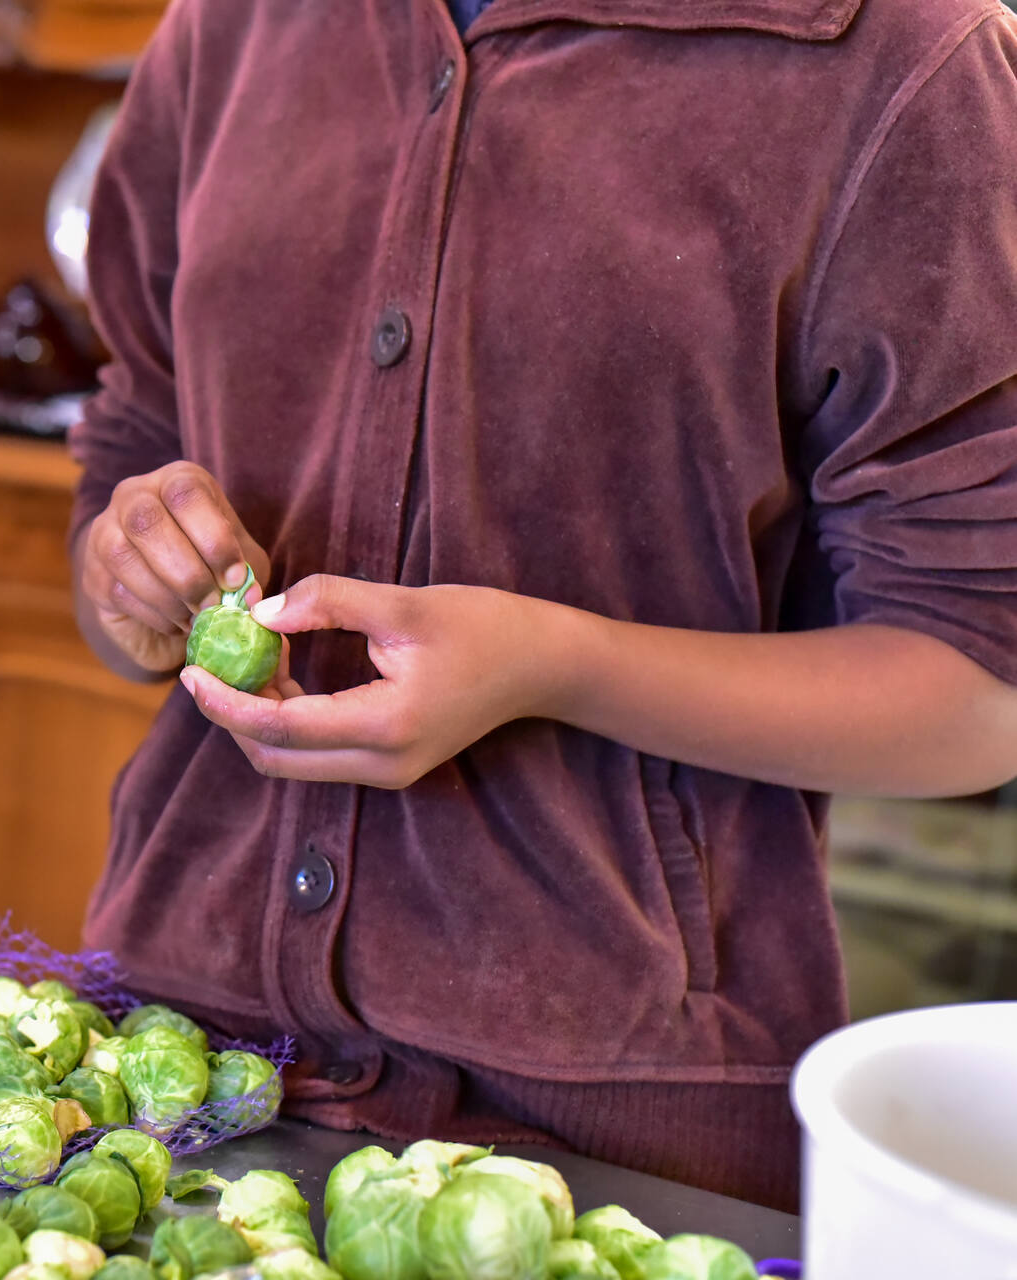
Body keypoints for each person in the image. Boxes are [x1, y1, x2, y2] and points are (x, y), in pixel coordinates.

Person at [67, 0, 1017, 1212]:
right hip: (169, 1063)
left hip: (614, 1128)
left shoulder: (901, 61)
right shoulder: (226, 27)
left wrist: (556, 665)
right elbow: (126, 466)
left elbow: (978, 686)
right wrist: (127, 567)